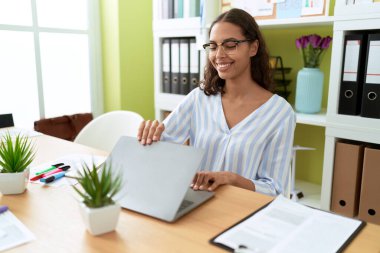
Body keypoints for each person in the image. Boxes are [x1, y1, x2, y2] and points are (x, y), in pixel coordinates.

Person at [138, 8, 296, 196]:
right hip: (195, 203)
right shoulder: (199, 99)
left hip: (243, 211)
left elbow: (273, 189)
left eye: (230, 45)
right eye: (213, 46)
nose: (218, 55)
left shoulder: (280, 113)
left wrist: (232, 179)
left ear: (253, 48)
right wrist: (150, 135)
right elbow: (160, 147)